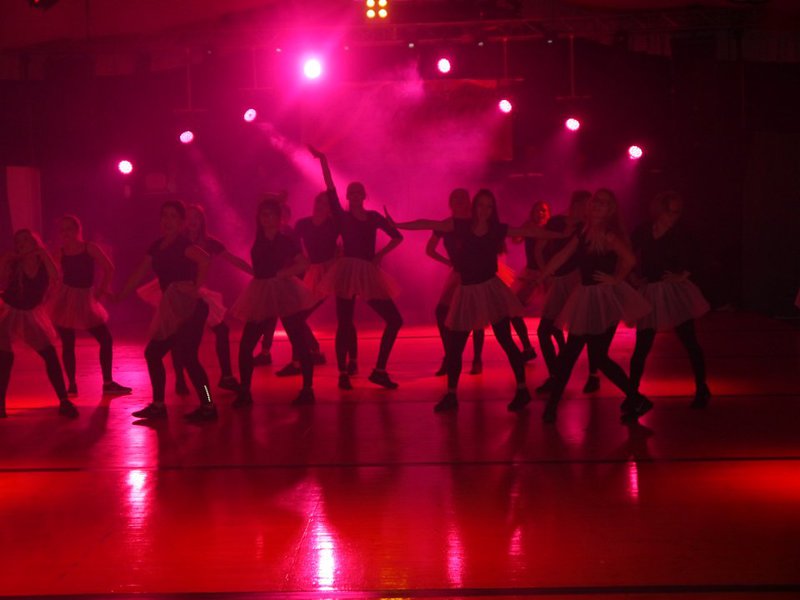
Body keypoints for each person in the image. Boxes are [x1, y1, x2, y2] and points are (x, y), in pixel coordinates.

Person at [389, 189, 563, 413]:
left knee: (506, 340)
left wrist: (563, 236)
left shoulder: (496, 229)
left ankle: (522, 390)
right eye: (481, 205)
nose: (484, 210)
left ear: (493, 209)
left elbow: (528, 231)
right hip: (467, 291)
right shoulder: (460, 225)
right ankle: (451, 395)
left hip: (490, 289)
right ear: (475, 206)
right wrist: (398, 224)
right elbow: (428, 223)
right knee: (455, 348)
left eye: (489, 206)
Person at [538, 188, 652, 424]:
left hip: (602, 299)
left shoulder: (608, 233)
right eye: (595, 201)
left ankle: (635, 398)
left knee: (590, 356)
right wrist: (543, 274)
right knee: (585, 356)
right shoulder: (584, 231)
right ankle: (636, 398)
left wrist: (616, 279)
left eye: (604, 203)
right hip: (587, 296)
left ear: (610, 209)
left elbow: (629, 259)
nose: (598, 205)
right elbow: (563, 255)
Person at [310, 146, 404, 391]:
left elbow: (397, 236)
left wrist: (379, 256)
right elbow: (330, 187)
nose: (354, 195)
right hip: (348, 270)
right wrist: (323, 160)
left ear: (364, 195)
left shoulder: (373, 217)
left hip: (367, 271)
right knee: (344, 322)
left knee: (394, 320)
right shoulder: (342, 216)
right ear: (348, 196)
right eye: (351, 192)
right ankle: (343, 373)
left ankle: (379, 370)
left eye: (358, 191)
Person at [117, 200, 217, 422]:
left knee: (189, 358)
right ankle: (159, 405)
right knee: (154, 354)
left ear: (181, 222)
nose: (167, 220)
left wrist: (195, 287)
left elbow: (205, 259)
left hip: (190, 309)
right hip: (173, 310)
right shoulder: (157, 246)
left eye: (173, 216)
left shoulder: (183, 244)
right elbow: (139, 273)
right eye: (164, 216)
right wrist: (119, 296)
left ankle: (209, 404)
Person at [628, 191, 711, 411]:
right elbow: (626, 253)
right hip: (650, 290)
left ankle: (701, 387)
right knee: (641, 346)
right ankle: (632, 395)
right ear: (659, 210)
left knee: (689, 341)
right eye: (670, 211)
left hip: (673, 292)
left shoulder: (681, 232)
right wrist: (632, 276)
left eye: (677, 212)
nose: (673, 216)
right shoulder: (644, 229)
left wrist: (683, 275)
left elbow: (699, 255)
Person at [229, 198, 315, 406]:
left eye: (270, 214)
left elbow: (304, 263)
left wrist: (283, 274)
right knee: (246, 345)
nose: (265, 218)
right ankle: (245, 391)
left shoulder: (285, 240)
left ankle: (307, 389)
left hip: (280, 290)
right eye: (263, 214)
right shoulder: (260, 236)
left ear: (279, 218)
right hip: (261, 290)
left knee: (299, 341)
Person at [50, 215, 131, 396]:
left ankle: (107, 382)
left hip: (85, 297)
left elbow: (109, 268)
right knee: (68, 343)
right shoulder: (60, 252)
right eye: (62, 229)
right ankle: (72, 385)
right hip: (66, 297)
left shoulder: (89, 248)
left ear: (78, 229)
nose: (66, 233)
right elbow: (52, 274)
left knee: (105, 339)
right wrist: (52, 290)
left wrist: (101, 290)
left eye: (69, 228)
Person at [1, 229, 78, 418]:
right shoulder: (14, 263)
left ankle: (64, 400)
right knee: (5, 356)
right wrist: (5, 261)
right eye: (18, 241)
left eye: (25, 240)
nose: (21, 244)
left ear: (34, 242)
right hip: (7, 311)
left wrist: (42, 253)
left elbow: (55, 276)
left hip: (29, 314)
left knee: (50, 354)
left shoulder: (44, 263)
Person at [532, 191, 601, 395]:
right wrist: (546, 274)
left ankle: (593, 375)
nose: (586, 210)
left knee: (585, 330)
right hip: (559, 279)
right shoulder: (556, 222)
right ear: (574, 204)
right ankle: (555, 376)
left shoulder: (585, 227)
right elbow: (539, 249)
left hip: (577, 280)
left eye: (589, 207)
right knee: (545, 330)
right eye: (583, 205)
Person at [426, 188, 485, 377]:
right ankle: (450, 356)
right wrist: (448, 262)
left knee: (476, 316)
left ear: (469, 202)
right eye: (456, 198)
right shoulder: (445, 225)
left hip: (477, 273)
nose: (459, 201)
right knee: (442, 312)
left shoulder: (475, 223)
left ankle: (477, 359)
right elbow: (430, 249)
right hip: (458, 273)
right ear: (450, 203)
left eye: (463, 198)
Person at [509, 200, 552, 362]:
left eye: (543, 210)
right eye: (537, 210)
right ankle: (527, 347)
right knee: (513, 309)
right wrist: (524, 228)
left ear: (548, 213)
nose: (540, 213)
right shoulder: (529, 227)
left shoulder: (551, 229)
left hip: (548, 275)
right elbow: (516, 240)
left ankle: (562, 348)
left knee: (553, 314)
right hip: (531, 274)